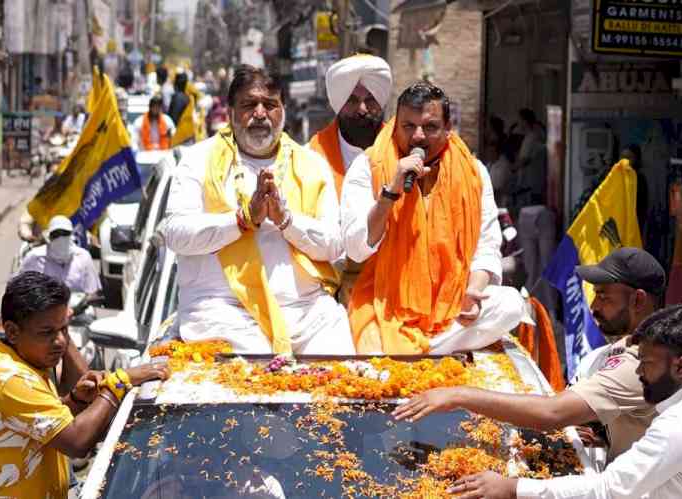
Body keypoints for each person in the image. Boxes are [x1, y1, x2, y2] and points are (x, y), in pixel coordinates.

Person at [394, 247, 665, 462]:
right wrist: (606, 437)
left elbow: (551, 412)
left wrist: (458, 394)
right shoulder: (618, 351)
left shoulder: (640, 362)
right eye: (595, 295)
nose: (593, 306)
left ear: (638, 300)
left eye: (605, 297)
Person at [447, 303, 682, 499]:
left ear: (680, 367)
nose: (639, 371)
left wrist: (513, 488)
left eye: (646, 363)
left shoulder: (681, 424)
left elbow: (608, 489)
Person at [163, 65, 354, 355]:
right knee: (253, 379)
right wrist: (241, 220)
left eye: (271, 104)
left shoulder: (312, 165)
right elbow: (175, 235)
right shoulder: (197, 161)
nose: (261, 113)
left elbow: (334, 246)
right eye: (250, 104)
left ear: (284, 110)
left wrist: (287, 221)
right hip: (223, 311)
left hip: (306, 312)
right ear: (230, 111)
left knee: (343, 375)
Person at [341, 82, 525, 355]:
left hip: (451, 301)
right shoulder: (369, 166)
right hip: (387, 301)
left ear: (448, 129)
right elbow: (357, 248)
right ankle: (419, 346)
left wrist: (472, 294)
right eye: (408, 126)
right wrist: (390, 192)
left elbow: (487, 245)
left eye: (429, 127)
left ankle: (411, 349)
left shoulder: (473, 172)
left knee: (511, 304)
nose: (418, 136)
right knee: (371, 341)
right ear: (394, 125)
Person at [0, 272, 170, 498]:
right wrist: (120, 381)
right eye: (47, 332)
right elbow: (77, 443)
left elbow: (40, 424)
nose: (60, 341)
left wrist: (75, 400)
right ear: (12, 331)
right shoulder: (10, 378)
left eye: (64, 329)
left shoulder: (26, 361)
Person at [309, 54, 392, 198]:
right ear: (338, 104)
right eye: (352, 100)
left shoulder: (399, 147)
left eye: (370, 100)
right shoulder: (312, 155)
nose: (362, 109)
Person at [18, 215, 101, 297]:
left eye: (65, 234)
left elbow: (92, 290)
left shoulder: (83, 257)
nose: (61, 238)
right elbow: (20, 287)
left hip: (77, 308)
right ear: (50, 237)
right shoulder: (34, 257)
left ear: (71, 235)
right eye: (56, 234)